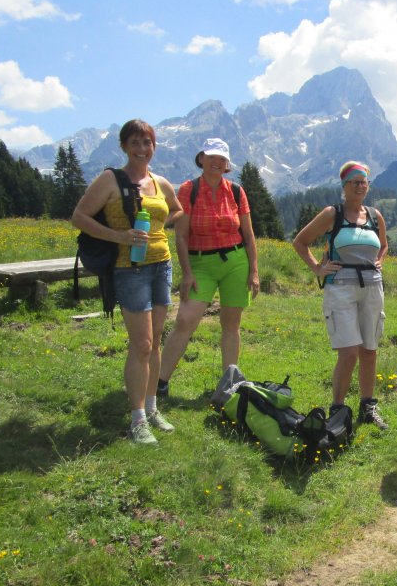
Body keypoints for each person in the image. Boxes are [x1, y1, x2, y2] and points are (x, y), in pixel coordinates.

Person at [72, 119, 183, 445]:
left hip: (161, 266)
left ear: (154, 146)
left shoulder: (159, 182)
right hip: (128, 268)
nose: (142, 149)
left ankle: (151, 408)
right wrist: (119, 235)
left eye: (147, 143)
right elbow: (79, 217)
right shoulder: (110, 179)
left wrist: (162, 229)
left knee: (156, 339)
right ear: (124, 146)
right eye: (135, 143)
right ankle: (136, 419)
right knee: (142, 344)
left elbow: (176, 211)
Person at [157, 138, 259, 397]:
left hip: (236, 262)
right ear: (201, 159)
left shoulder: (236, 191)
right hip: (200, 262)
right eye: (211, 156)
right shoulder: (188, 190)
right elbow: (181, 236)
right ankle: (159, 381)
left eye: (222, 158)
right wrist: (187, 273)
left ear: (227, 164)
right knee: (185, 320)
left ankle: (230, 383)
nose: (216, 162)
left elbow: (248, 235)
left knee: (231, 323)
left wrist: (254, 271)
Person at [292, 161, 390, 429]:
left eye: (364, 182)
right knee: (348, 352)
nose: (360, 186)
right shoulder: (331, 214)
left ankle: (367, 407)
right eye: (354, 182)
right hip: (340, 288)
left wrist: (380, 260)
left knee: (369, 350)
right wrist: (317, 268)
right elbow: (300, 241)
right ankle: (338, 408)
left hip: (372, 287)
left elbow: (383, 245)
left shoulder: (374, 216)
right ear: (344, 186)